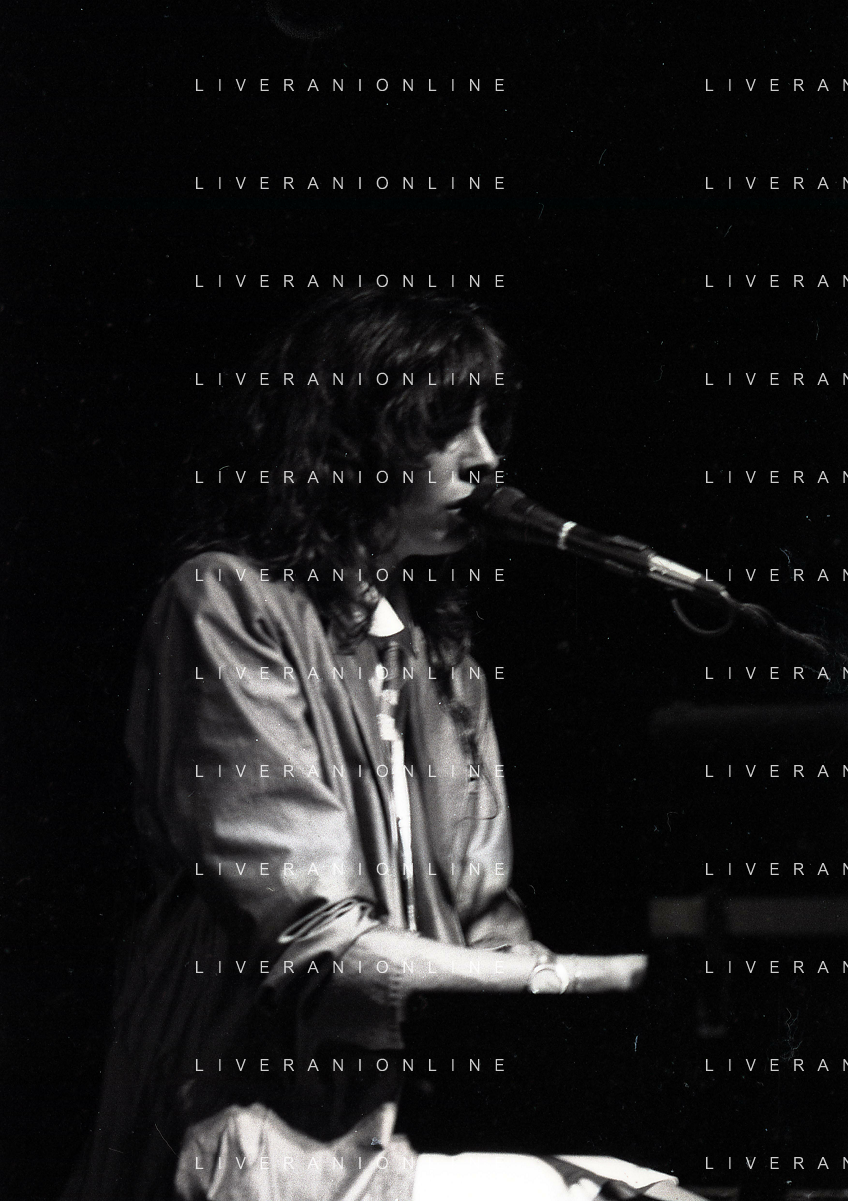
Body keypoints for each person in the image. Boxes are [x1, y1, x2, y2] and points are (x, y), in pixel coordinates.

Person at [64, 292, 687, 1201]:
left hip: (391, 1127)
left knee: (659, 1189)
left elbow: (488, 930)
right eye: (445, 426)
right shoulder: (225, 602)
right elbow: (317, 938)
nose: (485, 457)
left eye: (489, 424)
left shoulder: (440, 657)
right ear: (350, 438)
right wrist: (604, 977)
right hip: (250, 1134)